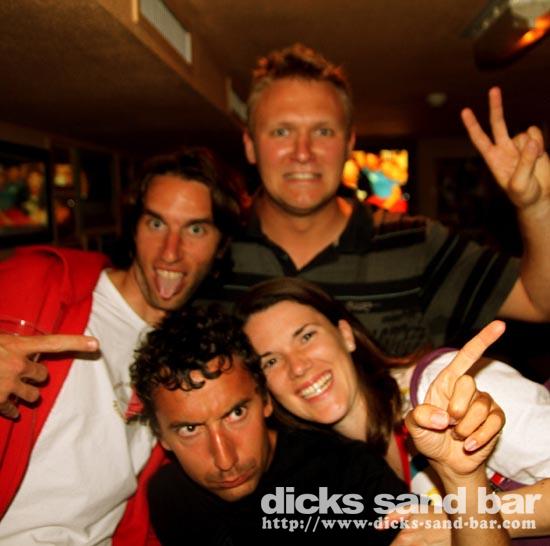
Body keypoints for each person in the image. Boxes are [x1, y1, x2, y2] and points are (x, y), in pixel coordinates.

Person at [209, 43, 550, 356]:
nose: (303, 152)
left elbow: (539, 301)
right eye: (281, 132)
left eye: (323, 131)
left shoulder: (416, 243)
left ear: (349, 144)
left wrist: (537, 207)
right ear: (250, 145)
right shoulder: (210, 245)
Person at [0, 147, 241, 545]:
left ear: (220, 246)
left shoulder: (193, 360)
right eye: (156, 223)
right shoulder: (38, 281)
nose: (171, 252)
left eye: (196, 230)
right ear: (133, 229)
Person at [131, 305, 509, 546]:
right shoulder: (170, 497)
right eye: (190, 429)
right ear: (161, 437)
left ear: (265, 400)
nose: (224, 458)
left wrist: (464, 481)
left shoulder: (348, 474)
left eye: (235, 414)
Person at [237, 277, 550, 541]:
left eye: (306, 336)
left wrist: (455, 521)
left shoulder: (438, 386)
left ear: (345, 335)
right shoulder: (348, 473)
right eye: (271, 361)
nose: (297, 367)